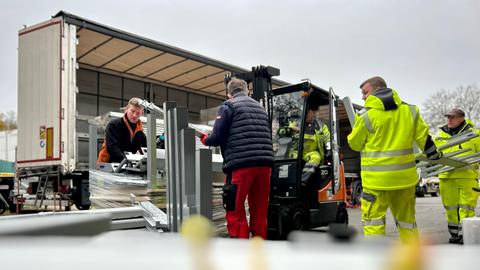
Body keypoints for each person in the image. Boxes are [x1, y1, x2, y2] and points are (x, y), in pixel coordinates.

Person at [347, 76, 441, 243]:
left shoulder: (366, 116)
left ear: (376, 89)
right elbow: (424, 139)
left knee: (373, 223)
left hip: (376, 183)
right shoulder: (411, 111)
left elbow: (354, 144)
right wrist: (434, 155)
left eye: (365, 92)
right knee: (407, 224)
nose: (363, 97)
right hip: (405, 181)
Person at [200, 77, 273, 239]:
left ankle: (239, 254)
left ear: (229, 94)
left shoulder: (228, 106)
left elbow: (218, 136)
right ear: (247, 91)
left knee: (235, 209)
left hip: (241, 166)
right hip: (265, 166)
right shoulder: (261, 108)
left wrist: (206, 139)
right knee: (259, 213)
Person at [433, 108, 480, 244]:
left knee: (466, 208)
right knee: (450, 208)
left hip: (467, 176)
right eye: (448, 117)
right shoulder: (439, 135)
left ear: (461, 118)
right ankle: (455, 235)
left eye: (453, 117)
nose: (449, 120)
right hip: (446, 177)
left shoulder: (475, 134)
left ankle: (466, 235)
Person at [97, 97, 147, 163]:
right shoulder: (114, 125)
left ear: (142, 113)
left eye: (138, 113)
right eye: (132, 111)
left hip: (126, 165)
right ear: (126, 109)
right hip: (107, 163)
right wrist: (127, 161)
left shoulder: (140, 133)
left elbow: (143, 151)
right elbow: (112, 147)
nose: (134, 115)